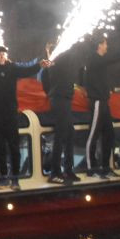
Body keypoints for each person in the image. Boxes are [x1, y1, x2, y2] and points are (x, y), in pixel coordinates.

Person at [0, 45, 44, 190]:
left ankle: (15, 178)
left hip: (10, 112)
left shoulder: (12, 68)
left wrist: (39, 65)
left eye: (4, 54)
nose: (2, 56)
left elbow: (27, 70)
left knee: (14, 146)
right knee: (0, 146)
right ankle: (2, 177)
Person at [80, 35, 120, 178]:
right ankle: (91, 169)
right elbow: (116, 57)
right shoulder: (94, 59)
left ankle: (105, 167)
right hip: (97, 102)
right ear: (99, 45)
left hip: (104, 102)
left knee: (109, 135)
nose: (107, 46)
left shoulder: (98, 61)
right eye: (105, 44)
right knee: (93, 135)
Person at [39, 42, 80, 184]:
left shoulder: (52, 66)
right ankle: (55, 172)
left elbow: (45, 85)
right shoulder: (57, 64)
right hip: (60, 99)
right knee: (61, 134)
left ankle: (68, 170)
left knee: (69, 133)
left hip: (63, 98)